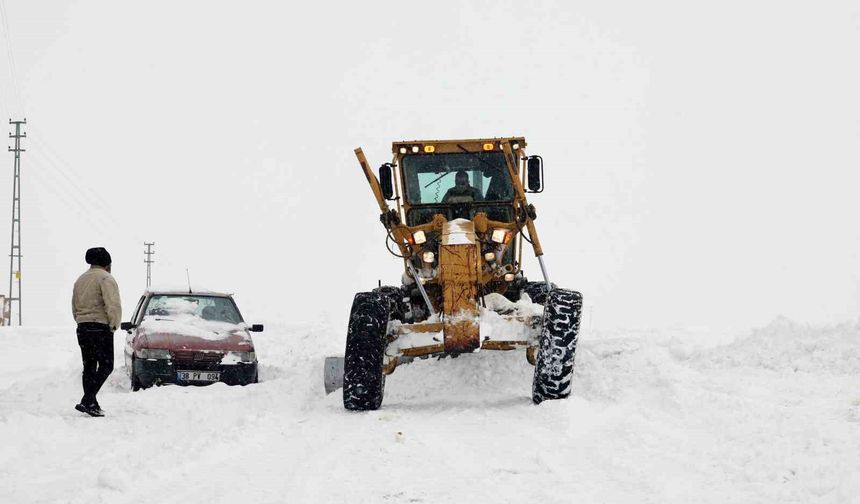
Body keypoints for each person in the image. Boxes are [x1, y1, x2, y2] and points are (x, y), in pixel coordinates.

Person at [72, 247, 121, 417]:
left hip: (83, 328)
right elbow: (113, 304)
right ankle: (87, 400)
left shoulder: (80, 279)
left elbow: (74, 305)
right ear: (107, 264)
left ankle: (91, 403)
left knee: (89, 366)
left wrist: (81, 321)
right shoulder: (106, 278)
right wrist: (114, 325)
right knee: (107, 365)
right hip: (100, 328)